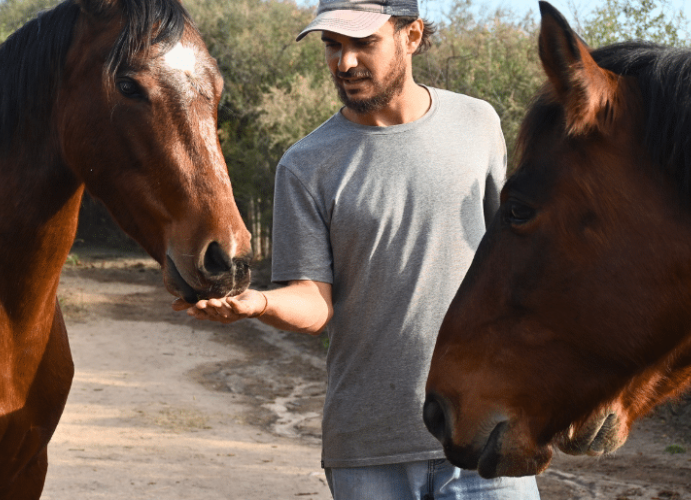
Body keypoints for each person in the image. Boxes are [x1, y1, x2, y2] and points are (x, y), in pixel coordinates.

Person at [173, 0, 542, 498]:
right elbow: (314, 301)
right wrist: (258, 303)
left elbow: (518, 264)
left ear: (411, 36)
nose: (344, 63)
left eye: (363, 43)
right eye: (332, 45)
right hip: (369, 449)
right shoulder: (305, 165)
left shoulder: (477, 124)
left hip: (485, 435)